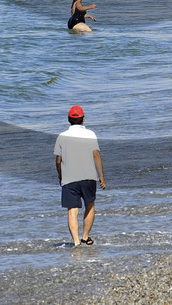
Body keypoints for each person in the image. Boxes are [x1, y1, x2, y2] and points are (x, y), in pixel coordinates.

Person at [54, 105, 105, 246]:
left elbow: (58, 160)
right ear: (83, 119)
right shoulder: (90, 134)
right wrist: (101, 176)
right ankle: (85, 237)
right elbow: (96, 155)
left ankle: (76, 242)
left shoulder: (62, 136)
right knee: (90, 206)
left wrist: (60, 176)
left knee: (72, 211)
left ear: (69, 119)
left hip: (69, 177)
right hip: (89, 176)